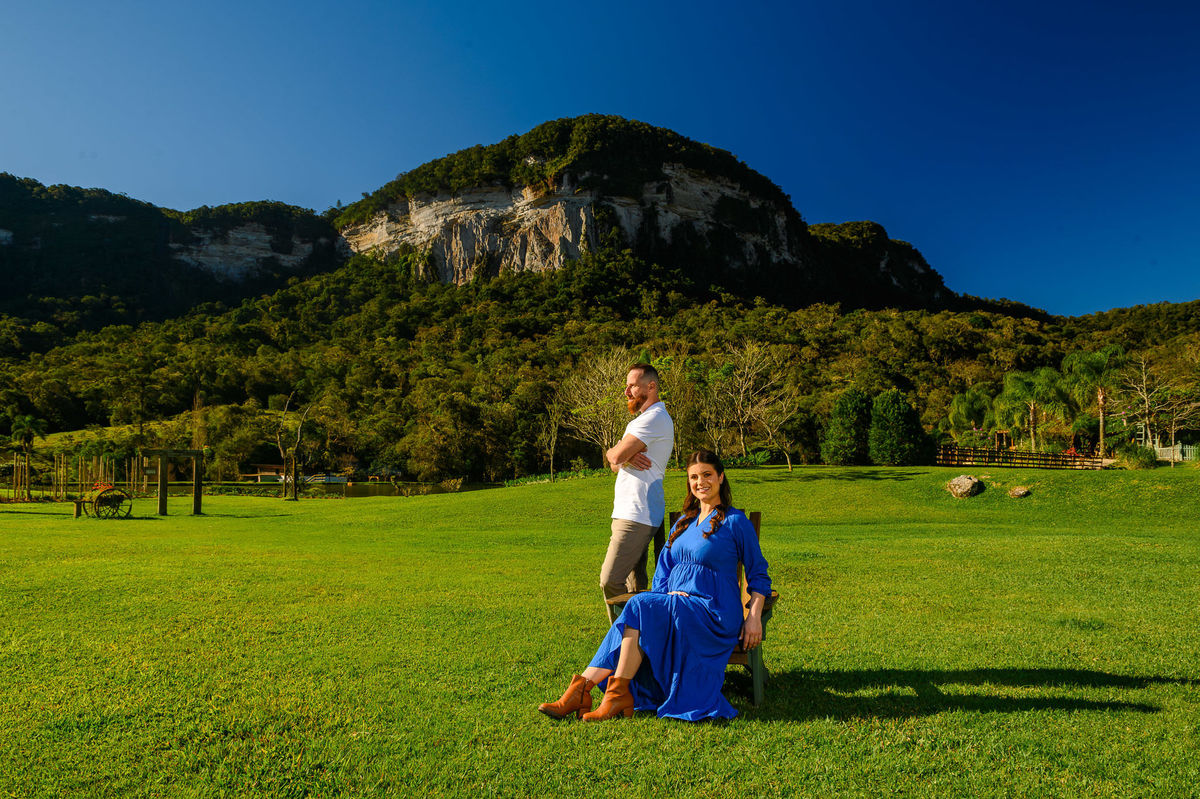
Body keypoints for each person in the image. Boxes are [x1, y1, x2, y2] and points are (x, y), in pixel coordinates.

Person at [539, 450, 771, 722]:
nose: (700, 482)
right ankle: (597, 692)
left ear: (720, 477)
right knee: (641, 608)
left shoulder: (735, 522)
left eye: (707, 475)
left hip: (713, 614)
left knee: (638, 605)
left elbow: (759, 575)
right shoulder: (683, 524)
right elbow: (662, 574)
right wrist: (667, 600)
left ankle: (591, 692)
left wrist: (754, 616)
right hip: (678, 609)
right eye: (694, 477)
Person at [599, 363, 674, 622]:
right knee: (635, 585)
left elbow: (615, 457)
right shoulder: (640, 421)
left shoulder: (655, 418)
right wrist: (623, 456)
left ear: (651, 387)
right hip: (631, 511)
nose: (626, 391)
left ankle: (622, 639)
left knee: (610, 580)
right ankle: (639, 641)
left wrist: (620, 454)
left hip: (637, 513)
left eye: (632, 385)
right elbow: (614, 463)